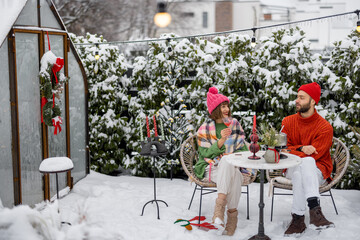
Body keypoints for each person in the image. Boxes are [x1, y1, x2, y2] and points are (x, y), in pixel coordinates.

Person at [281, 82, 335, 237]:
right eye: (297, 97)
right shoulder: (288, 122)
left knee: (307, 164)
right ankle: (315, 210)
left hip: (318, 170)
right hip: (291, 166)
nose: (297, 100)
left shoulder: (324, 127)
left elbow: (315, 155)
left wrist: (294, 150)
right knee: (305, 162)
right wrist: (301, 148)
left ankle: (297, 219)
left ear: (313, 101)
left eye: (301, 97)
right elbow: (282, 150)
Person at [194, 87, 248, 236]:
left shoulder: (234, 124)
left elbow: (243, 149)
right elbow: (204, 153)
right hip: (210, 167)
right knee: (233, 175)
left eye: (227, 106)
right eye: (223, 106)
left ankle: (219, 213)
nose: (226, 109)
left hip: (230, 167)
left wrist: (232, 155)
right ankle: (232, 218)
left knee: (230, 165)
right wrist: (222, 140)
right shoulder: (204, 128)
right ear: (215, 109)